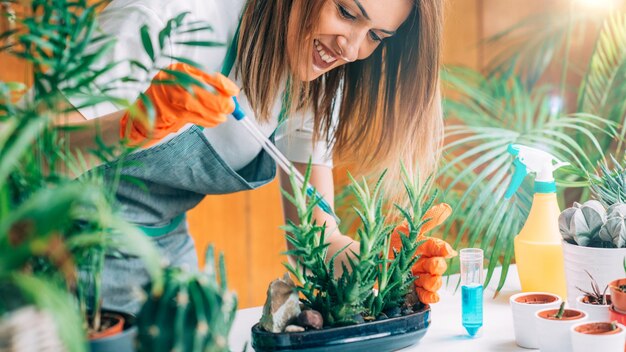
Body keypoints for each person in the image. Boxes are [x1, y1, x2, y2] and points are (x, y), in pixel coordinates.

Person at [60, 0, 449, 314]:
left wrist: (382, 265)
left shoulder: (314, 74)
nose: (351, 48)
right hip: (49, 253)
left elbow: (315, 238)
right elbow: (28, 158)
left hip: (162, 255)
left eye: (376, 36)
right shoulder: (168, 17)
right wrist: (132, 125)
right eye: (346, 13)